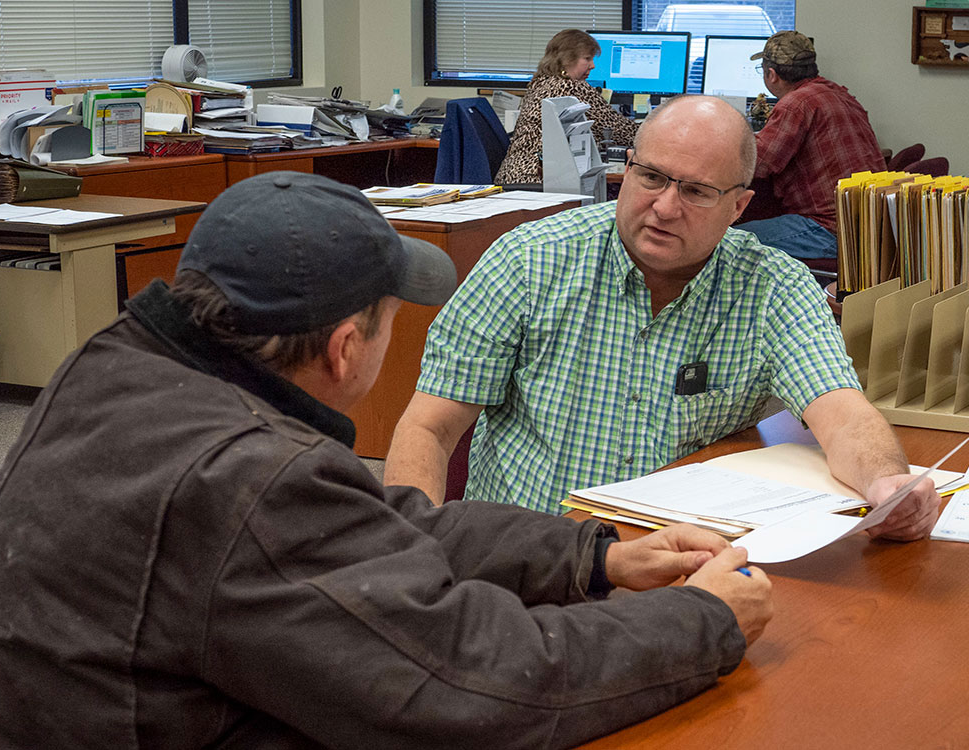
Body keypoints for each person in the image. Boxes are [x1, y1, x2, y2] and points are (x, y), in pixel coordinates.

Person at [0, 172, 773, 748]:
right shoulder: (250, 477)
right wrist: (701, 620)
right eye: (393, 318)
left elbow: (365, 525)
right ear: (345, 349)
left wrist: (600, 558)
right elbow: (471, 682)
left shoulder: (113, 369)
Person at [386, 96, 939, 541]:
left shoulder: (773, 286)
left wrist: (888, 483)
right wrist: (414, 554)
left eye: (697, 191)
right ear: (625, 171)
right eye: (651, 177)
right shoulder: (529, 261)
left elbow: (842, 413)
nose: (666, 206)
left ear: (738, 207)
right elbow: (429, 429)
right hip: (526, 556)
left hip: (680, 561)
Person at [734, 31, 888, 260]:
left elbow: (759, 164)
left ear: (771, 74)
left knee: (725, 241)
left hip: (830, 230)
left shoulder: (797, 104)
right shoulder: (837, 92)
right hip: (867, 226)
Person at [494, 28, 637, 185]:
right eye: (587, 59)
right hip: (540, 179)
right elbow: (620, 131)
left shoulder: (539, 83)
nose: (593, 65)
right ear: (567, 59)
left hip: (513, 176)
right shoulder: (573, 87)